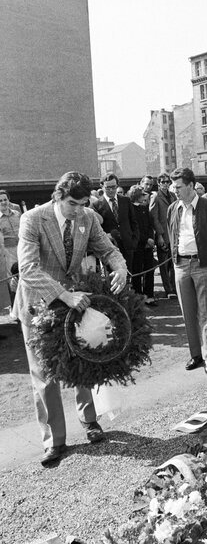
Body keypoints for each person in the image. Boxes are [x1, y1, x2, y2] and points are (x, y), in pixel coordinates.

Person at [13, 171, 128, 466]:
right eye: (73, 204)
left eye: (83, 203)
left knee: (82, 358)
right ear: (58, 197)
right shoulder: (33, 220)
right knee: (44, 374)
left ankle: (90, 421)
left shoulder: (88, 217)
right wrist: (64, 295)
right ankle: (55, 441)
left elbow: (108, 249)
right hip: (38, 304)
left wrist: (120, 268)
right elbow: (27, 269)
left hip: (73, 300)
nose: (78, 210)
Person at [167, 167, 207, 377]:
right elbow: (171, 235)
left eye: (179, 187)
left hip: (204, 266)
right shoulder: (173, 208)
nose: (175, 190)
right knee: (188, 313)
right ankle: (196, 355)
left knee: (205, 313)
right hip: (181, 266)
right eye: (173, 186)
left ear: (191, 186)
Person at [94, 174, 139, 273]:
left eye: (113, 187)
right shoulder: (96, 205)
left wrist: (134, 241)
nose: (111, 190)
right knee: (113, 280)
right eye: (108, 187)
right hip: (110, 250)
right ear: (102, 187)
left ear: (117, 185)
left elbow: (134, 223)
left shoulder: (125, 201)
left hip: (128, 246)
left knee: (129, 277)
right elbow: (97, 230)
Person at [149, 173, 177, 298]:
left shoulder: (173, 195)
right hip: (163, 234)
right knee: (164, 264)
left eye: (167, 182)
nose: (166, 184)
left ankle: (174, 287)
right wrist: (159, 235)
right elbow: (154, 217)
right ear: (159, 183)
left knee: (174, 262)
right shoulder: (155, 196)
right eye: (163, 182)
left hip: (174, 234)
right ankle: (168, 289)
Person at [128, 185, 157, 304]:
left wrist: (151, 238)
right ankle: (137, 296)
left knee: (149, 271)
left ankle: (149, 295)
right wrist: (145, 240)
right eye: (142, 195)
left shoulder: (145, 209)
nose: (144, 198)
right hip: (137, 246)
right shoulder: (130, 210)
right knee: (137, 271)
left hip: (148, 246)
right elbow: (134, 229)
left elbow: (150, 225)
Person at [0, 190, 21, 304]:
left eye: (5, 200)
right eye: (0, 200)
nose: (3, 202)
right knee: (12, 278)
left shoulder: (17, 213)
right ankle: (15, 306)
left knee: (25, 272)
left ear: (8, 200)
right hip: (8, 251)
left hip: (22, 248)